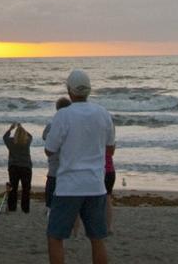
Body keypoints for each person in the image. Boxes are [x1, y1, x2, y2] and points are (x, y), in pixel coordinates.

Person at [44, 70, 115, 264]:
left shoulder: (63, 116)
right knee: (97, 239)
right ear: (89, 90)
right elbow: (110, 150)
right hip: (95, 184)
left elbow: (49, 150)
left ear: (69, 91)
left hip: (69, 185)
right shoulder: (103, 113)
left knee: (55, 236)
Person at [43, 96, 71, 209]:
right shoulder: (72, 124)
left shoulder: (52, 124)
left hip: (55, 168)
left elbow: (45, 137)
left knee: (51, 194)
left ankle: (50, 208)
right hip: (68, 169)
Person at [3, 122, 33, 213]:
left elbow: (4, 137)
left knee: (13, 188)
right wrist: (22, 128)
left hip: (14, 167)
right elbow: (31, 136)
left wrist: (11, 128)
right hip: (26, 167)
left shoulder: (11, 142)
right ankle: (25, 208)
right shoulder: (27, 141)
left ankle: (12, 207)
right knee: (26, 189)